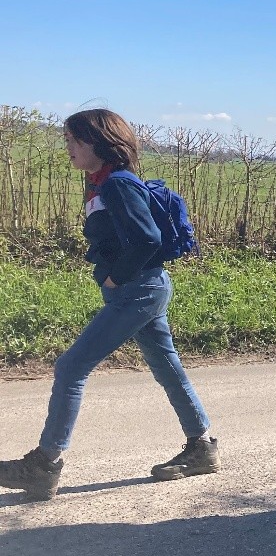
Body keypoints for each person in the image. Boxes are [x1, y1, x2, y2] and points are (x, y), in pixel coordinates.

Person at [0, 108, 217, 501]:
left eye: (72, 139)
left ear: (97, 141)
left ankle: (43, 467)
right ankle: (201, 448)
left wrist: (116, 276)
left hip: (138, 290)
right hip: (141, 288)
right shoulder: (100, 182)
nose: (67, 146)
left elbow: (148, 239)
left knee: (71, 367)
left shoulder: (117, 184)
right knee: (167, 369)